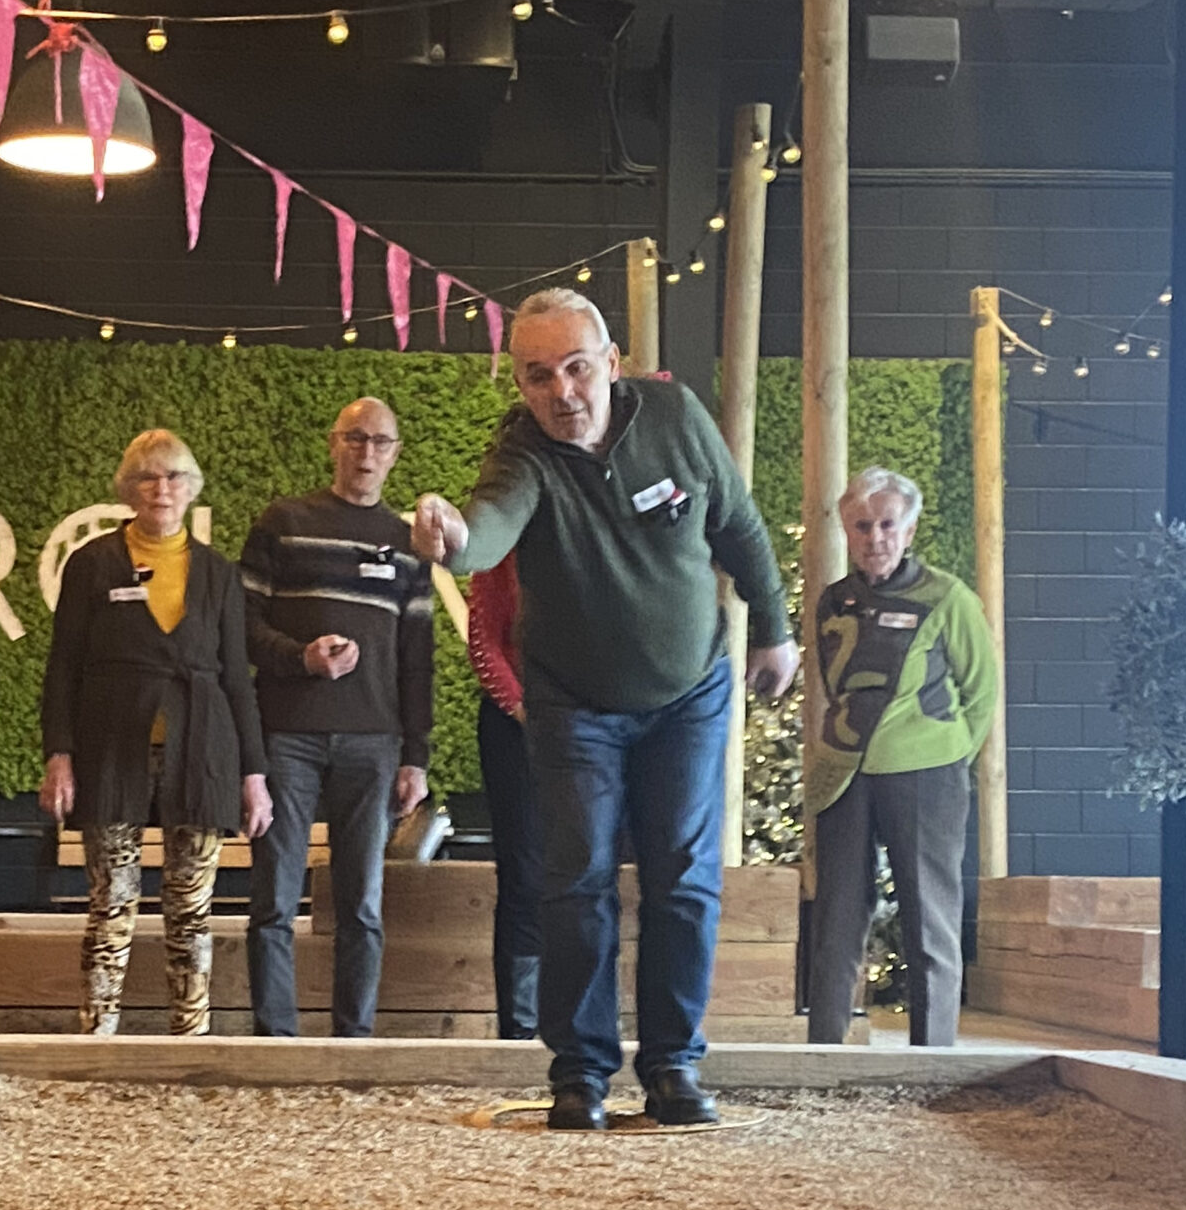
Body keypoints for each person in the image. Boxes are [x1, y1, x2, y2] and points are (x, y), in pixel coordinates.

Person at [413, 290, 798, 1130]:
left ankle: (673, 1065)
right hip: (573, 702)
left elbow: (737, 523)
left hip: (689, 693)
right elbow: (491, 526)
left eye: (577, 368)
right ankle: (581, 1073)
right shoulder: (523, 452)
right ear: (520, 384)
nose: (562, 392)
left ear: (612, 364)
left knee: (683, 879)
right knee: (577, 879)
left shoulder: (675, 417)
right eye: (537, 375)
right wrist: (452, 537)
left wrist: (774, 628)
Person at [40, 431, 272, 1036]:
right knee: (110, 904)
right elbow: (63, 666)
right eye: (147, 477)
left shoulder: (219, 573)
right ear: (127, 489)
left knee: (191, 910)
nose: (161, 489)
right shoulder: (91, 563)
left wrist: (254, 775)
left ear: (192, 488)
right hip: (109, 750)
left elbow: (238, 679)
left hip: (204, 752)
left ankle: (190, 1038)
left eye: (173, 477)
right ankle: (96, 1037)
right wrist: (59, 755)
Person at [243, 399, 433, 1037]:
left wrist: (415, 756)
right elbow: (240, 626)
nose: (366, 452)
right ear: (333, 443)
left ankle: (354, 1042)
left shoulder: (410, 545)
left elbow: (417, 658)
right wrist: (299, 657)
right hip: (285, 736)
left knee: (363, 905)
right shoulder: (283, 523)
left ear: (395, 453)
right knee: (274, 899)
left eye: (380, 441)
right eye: (355, 438)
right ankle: (276, 1041)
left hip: (374, 742)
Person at [804, 466, 999, 1049]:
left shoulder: (947, 597)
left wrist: (949, 756)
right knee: (836, 917)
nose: (875, 538)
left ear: (909, 531)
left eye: (888, 525)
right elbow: (834, 684)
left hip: (926, 773)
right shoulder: (833, 601)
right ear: (847, 531)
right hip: (844, 775)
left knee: (928, 917)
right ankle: (825, 1053)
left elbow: (981, 691)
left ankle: (932, 1059)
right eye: (862, 526)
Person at [467, 554, 542, 1040]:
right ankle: (521, 1028)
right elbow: (484, 643)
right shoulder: (503, 550)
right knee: (524, 874)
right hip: (514, 728)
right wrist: (522, 708)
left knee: (587, 875)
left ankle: (580, 1022)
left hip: (589, 726)